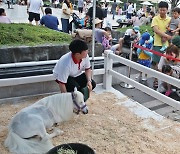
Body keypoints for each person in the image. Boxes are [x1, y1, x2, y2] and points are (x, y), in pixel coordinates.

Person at [151, 1, 171, 89]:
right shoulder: (155, 18)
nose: (162, 12)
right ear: (158, 9)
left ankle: (165, 82)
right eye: (161, 10)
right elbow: (156, 30)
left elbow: (172, 30)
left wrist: (167, 38)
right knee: (157, 63)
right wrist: (166, 36)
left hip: (167, 45)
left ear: (167, 10)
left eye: (164, 10)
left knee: (166, 64)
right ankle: (156, 80)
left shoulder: (170, 19)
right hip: (157, 44)